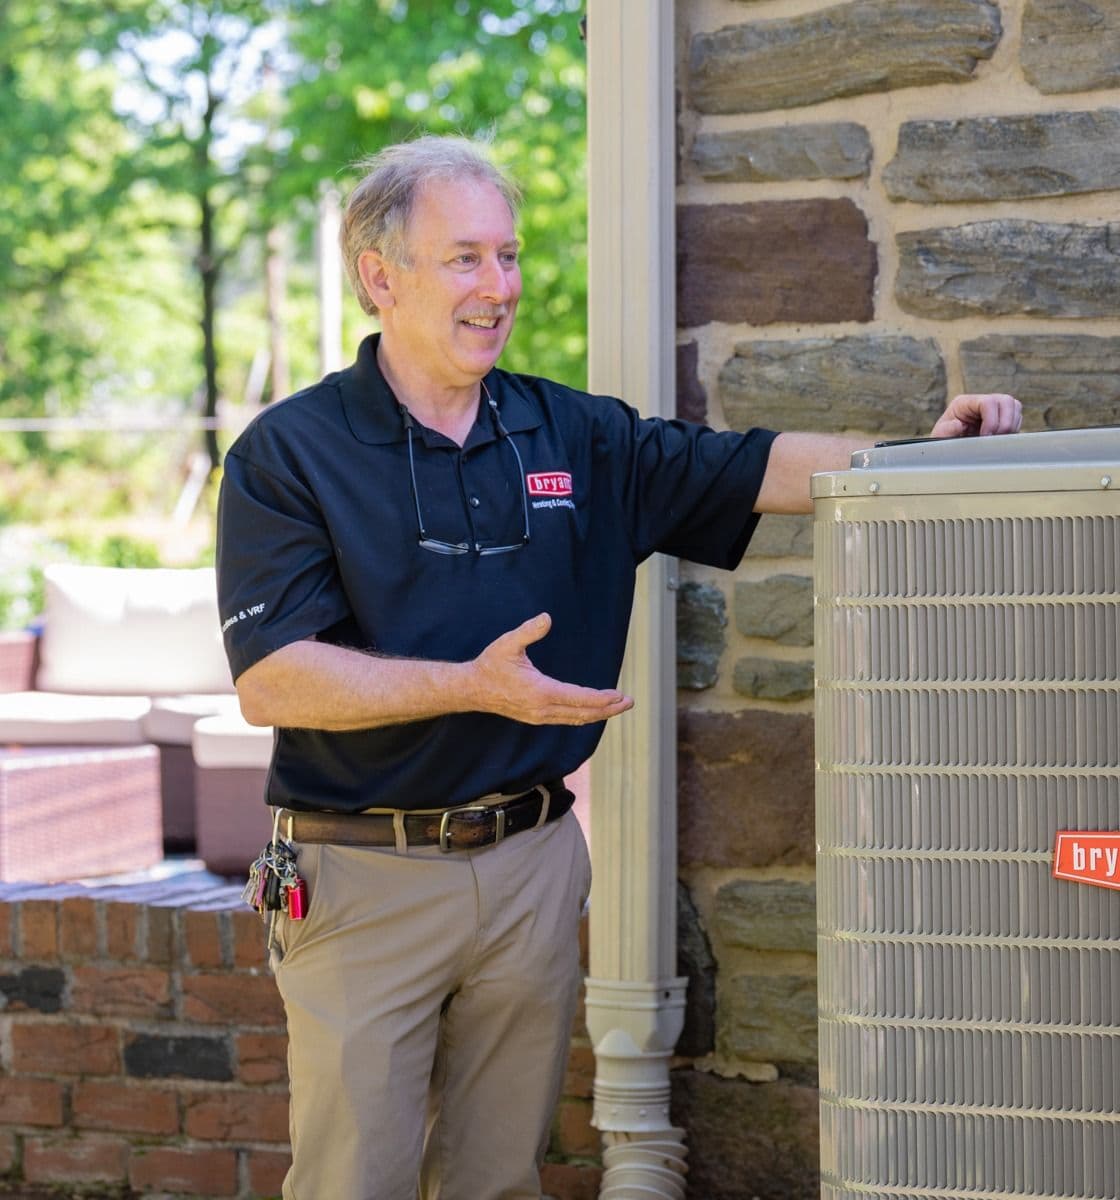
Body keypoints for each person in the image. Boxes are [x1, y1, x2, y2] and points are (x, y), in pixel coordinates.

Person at [214, 134, 1020, 1200]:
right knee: (350, 1180)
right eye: (464, 259)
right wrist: (471, 683)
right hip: (363, 874)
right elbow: (273, 679)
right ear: (380, 275)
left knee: (500, 1177)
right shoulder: (289, 454)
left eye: (506, 256)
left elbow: (753, 467)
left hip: (532, 865)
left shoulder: (573, 434)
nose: (497, 286)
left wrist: (918, 458)